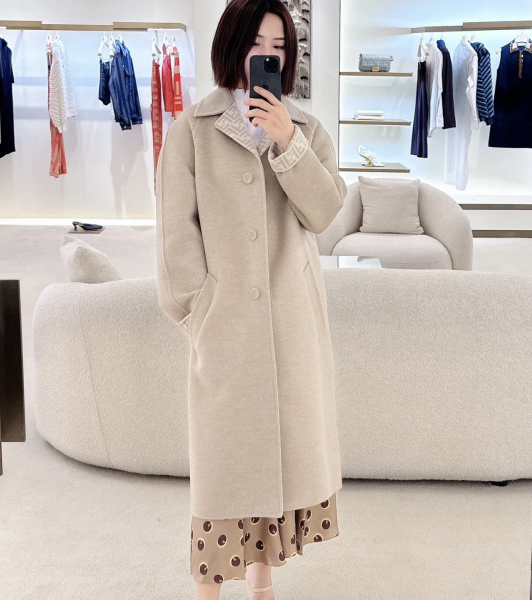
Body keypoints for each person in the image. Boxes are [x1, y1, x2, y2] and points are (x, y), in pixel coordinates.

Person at [155, 1, 347, 599]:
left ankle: (263, 587)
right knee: (223, 468)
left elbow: (325, 214)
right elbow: (175, 237)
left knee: (279, 465)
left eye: (279, 47)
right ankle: (208, 591)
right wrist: (199, 310)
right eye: (255, 43)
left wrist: (288, 143)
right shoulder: (191, 131)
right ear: (232, 45)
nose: (267, 55)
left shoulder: (308, 131)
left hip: (291, 327)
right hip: (226, 327)